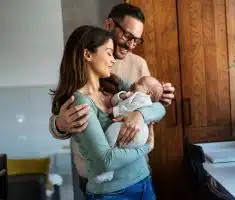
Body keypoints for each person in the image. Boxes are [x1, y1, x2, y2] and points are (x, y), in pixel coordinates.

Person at [48, 3, 175, 195]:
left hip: (140, 174)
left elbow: (155, 107)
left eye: (137, 41)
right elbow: (59, 119)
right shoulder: (80, 87)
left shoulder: (131, 69)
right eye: (127, 36)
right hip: (105, 182)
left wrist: (141, 113)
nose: (131, 45)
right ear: (109, 24)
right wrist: (59, 123)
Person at [94, 76, 163, 184]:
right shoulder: (133, 94)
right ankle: (109, 169)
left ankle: (108, 170)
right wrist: (122, 95)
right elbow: (114, 100)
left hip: (137, 132)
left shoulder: (143, 99)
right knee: (114, 143)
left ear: (149, 93)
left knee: (111, 133)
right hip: (133, 134)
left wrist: (116, 111)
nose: (135, 82)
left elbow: (132, 109)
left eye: (140, 83)